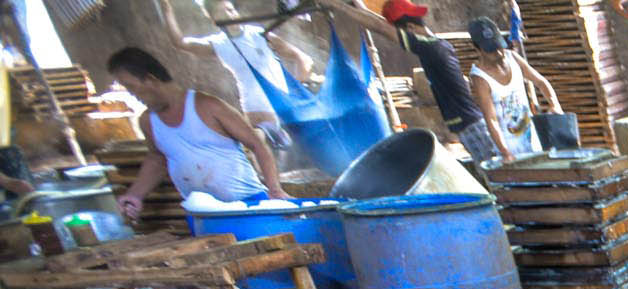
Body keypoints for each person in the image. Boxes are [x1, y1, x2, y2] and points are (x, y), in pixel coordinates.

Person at [109, 46, 287, 215]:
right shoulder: (147, 121)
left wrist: (275, 189)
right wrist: (135, 194)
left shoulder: (209, 106)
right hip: (201, 214)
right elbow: (158, 158)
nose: (131, 94)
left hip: (248, 204)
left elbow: (257, 145)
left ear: (151, 80)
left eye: (131, 87)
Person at [330, 0, 494, 163]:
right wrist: (359, 6)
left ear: (409, 29)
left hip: (470, 125)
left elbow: (380, 28)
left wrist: (336, 5)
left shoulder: (430, 48)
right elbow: (381, 25)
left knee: (495, 174)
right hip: (470, 122)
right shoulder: (437, 45)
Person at [156, 0, 314, 148]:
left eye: (230, 10)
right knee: (263, 149)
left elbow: (304, 59)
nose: (228, 15)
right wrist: (167, 10)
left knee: (283, 152)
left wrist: (298, 92)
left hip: (280, 107)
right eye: (221, 13)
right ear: (213, 20)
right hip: (252, 110)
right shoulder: (218, 44)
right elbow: (180, 43)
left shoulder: (259, 35)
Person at [466, 15, 557, 159]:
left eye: (498, 46)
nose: (498, 53)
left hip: (532, 137)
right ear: (477, 49)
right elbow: (492, 120)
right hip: (510, 147)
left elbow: (540, 81)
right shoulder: (480, 78)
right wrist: (505, 152)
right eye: (491, 50)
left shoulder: (512, 58)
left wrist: (554, 104)